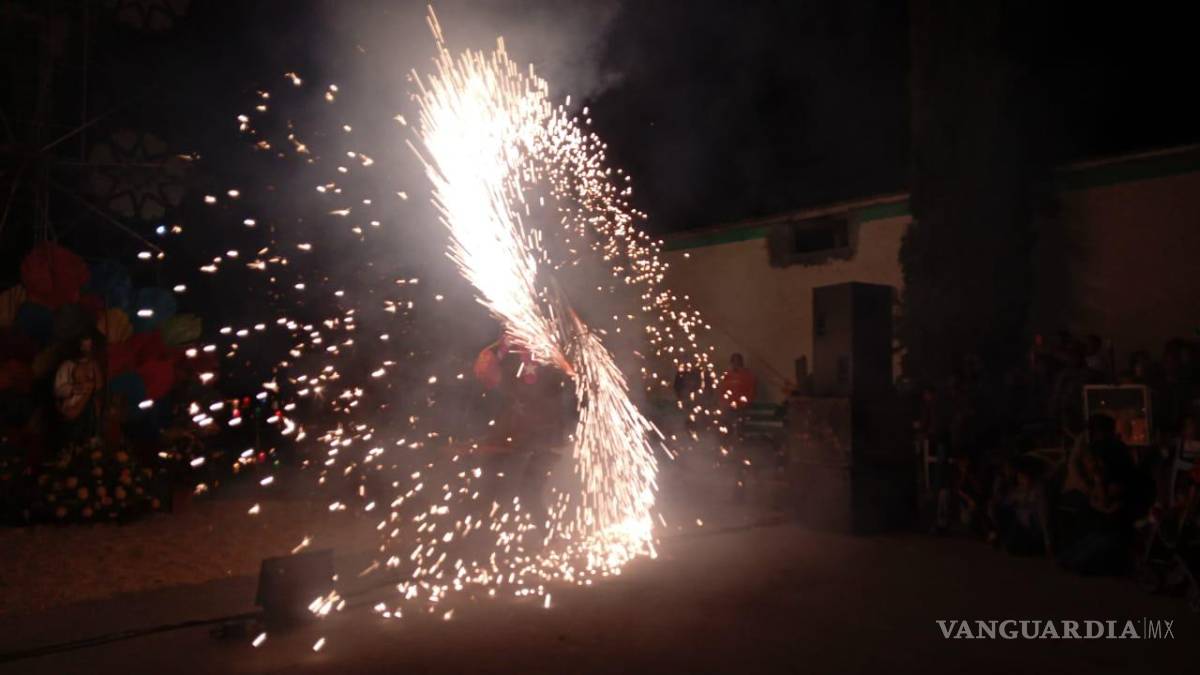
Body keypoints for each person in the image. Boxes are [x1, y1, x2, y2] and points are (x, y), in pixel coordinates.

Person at [473, 333, 570, 528]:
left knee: (529, 492)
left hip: (548, 442)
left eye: (488, 376)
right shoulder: (511, 385)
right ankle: (551, 537)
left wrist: (516, 440)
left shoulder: (528, 377)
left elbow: (537, 415)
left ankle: (554, 538)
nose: (489, 383)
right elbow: (510, 420)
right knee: (522, 491)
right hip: (537, 440)